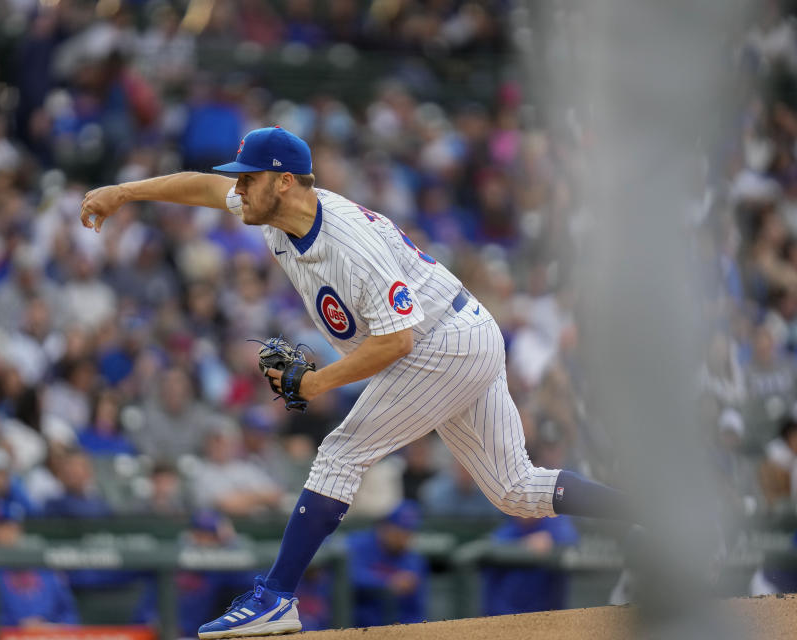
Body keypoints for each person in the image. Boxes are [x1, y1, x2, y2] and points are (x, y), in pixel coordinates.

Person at [80, 126, 632, 638]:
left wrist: (319, 384)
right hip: (459, 334)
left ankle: (276, 596)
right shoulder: (272, 210)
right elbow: (205, 186)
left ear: (285, 181)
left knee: (340, 454)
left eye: (249, 178)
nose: (239, 188)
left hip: (445, 342)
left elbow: (398, 343)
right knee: (515, 489)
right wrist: (124, 192)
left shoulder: (348, 245)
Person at [0, 496, 79, 628]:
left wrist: (49, 627)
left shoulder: (39, 561)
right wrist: (18, 625)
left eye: (10, 526)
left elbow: (69, 612)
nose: (5, 532)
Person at [347, 500, 428, 628]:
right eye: (399, 531)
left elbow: (416, 611)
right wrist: (387, 582)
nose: (403, 537)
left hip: (396, 630)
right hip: (356, 626)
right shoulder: (358, 544)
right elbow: (347, 577)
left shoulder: (414, 561)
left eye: (408, 532)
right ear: (385, 527)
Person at [481, 515, 579, 616]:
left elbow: (568, 539)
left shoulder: (555, 523)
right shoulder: (506, 530)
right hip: (502, 617)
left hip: (545, 618)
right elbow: (485, 548)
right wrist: (523, 545)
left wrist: (551, 541)